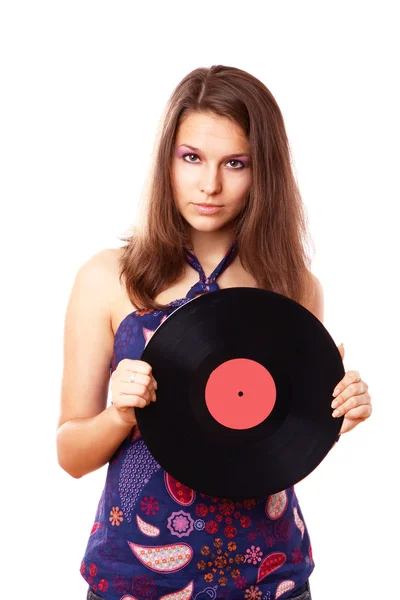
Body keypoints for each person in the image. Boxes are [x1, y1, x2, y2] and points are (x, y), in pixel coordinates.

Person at [57, 65, 372, 600]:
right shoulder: (107, 277)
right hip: (135, 582)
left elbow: (277, 446)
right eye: (192, 158)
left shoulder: (295, 286)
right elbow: (70, 455)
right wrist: (119, 415)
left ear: (263, 171)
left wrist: (334, 417)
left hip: (270, 579)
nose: (210, 184)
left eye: (235, 163)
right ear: (168, 162)